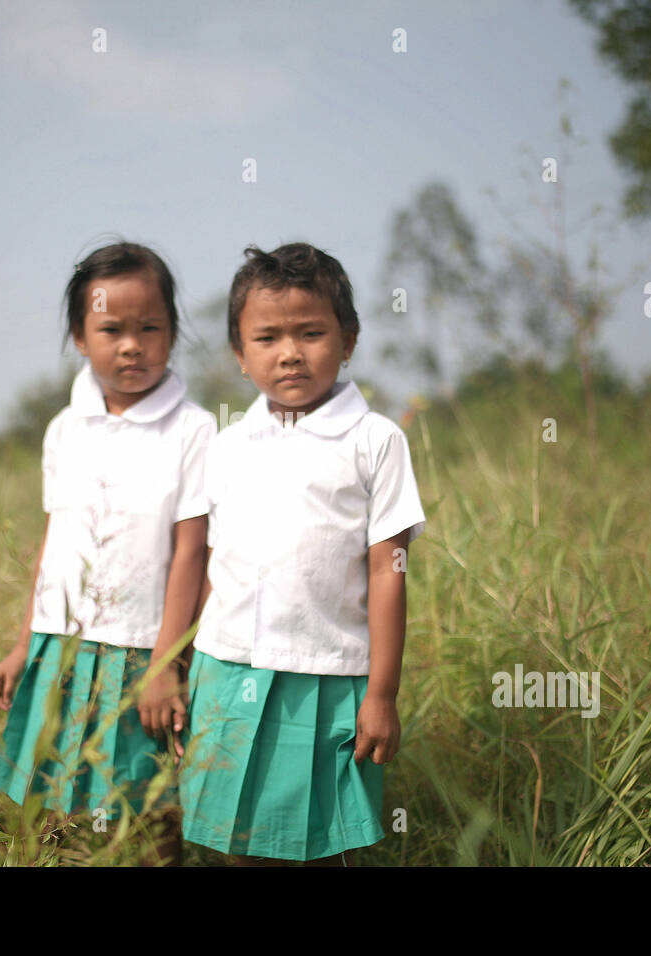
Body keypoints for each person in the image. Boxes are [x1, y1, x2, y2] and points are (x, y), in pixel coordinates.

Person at [174, 241, 427, 865]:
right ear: (239, 353)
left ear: (349, 339)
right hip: (226, 670)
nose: (289, 352)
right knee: (235, 839)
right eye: (266, 338)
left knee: (314, 843)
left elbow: (387, 570)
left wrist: (383, 694)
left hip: (326, 675)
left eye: (311, 332)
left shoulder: (375, 441)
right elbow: (214, 565)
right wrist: (180, 668)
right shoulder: (228, 447)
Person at [0, 241, 215, 866]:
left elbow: (192, 552)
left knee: (147, 803)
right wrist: (24, 639)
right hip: (57, 646)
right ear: (80, 337)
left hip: (142, 650)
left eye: (151, 328)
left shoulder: (193, 430)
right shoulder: (64, 429)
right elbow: (55, 539)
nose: (132, 345)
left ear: (172, 333)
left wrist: (166, 663)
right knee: (51, 799)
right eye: (112, 329)